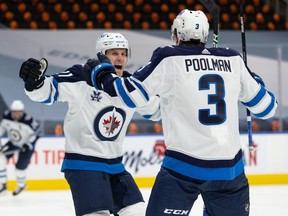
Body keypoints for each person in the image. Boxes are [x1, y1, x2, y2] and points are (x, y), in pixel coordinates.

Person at [83, 10, 278, 216]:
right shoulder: (233, 59)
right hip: (229, 173)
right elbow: (266, 108)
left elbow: (130, 95)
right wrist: (254, 80)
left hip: (183, 171)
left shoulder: (168, 57)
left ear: (176, 34)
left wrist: (102, 74)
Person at [19, 32, 160, 216]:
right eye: (114, 53)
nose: (120, 58)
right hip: (84, 164)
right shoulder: (81, 75)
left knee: (137, 212)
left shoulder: (128, 85)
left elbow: (156, 110)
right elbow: (48, 91)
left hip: (115, 167)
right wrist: (34, 83)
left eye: (124, 53)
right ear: (102, 54)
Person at [0, 100, 40, 196]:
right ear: (11, 111)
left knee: (19, 169)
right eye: (14, 112)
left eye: (19, 112)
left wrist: (28, 144)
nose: (16, 114)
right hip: (13, 143)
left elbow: (37, 133)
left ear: (22, 112)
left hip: (26, 146)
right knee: (0, 159)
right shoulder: (6, 116)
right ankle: (3, 184)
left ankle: (21, 185)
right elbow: (1, 129)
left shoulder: (29, 121)